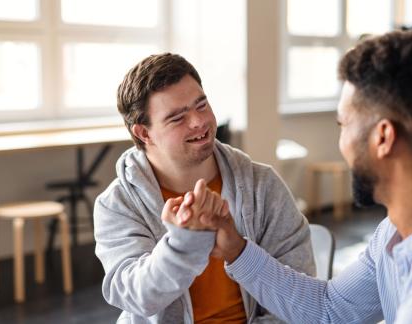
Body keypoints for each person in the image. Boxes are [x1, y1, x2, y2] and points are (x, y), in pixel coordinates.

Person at [166, 30, 412, 323]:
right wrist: (236, 249)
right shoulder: (398, 229)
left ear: (383, 137)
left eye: (343, 125)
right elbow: (332, 310)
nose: (340, 142)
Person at [93, 53, 315, 323]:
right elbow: (136, 296)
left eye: (202, 105)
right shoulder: (118, 203)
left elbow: (299, 295)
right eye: (177, 118)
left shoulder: (263, 185)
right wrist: (183, 244)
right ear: (144, 133)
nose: (199, 122)